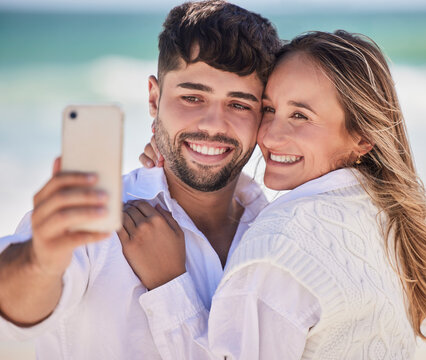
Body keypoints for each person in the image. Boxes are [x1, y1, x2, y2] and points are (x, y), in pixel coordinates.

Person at [136, 30, 426, 359]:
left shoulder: (278, 247)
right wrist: (193, 164)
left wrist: (168, 285)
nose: (271, 135)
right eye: (268, 109)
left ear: (363, 138)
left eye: (300, 115)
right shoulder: (380, 212)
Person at [0, 1, 281, 359]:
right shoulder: (100, 219)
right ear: (154, 97)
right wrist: (41, 259)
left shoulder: (275, 229)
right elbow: (11, 310)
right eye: (192, 97)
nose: (213, 124)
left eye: (239, 104)